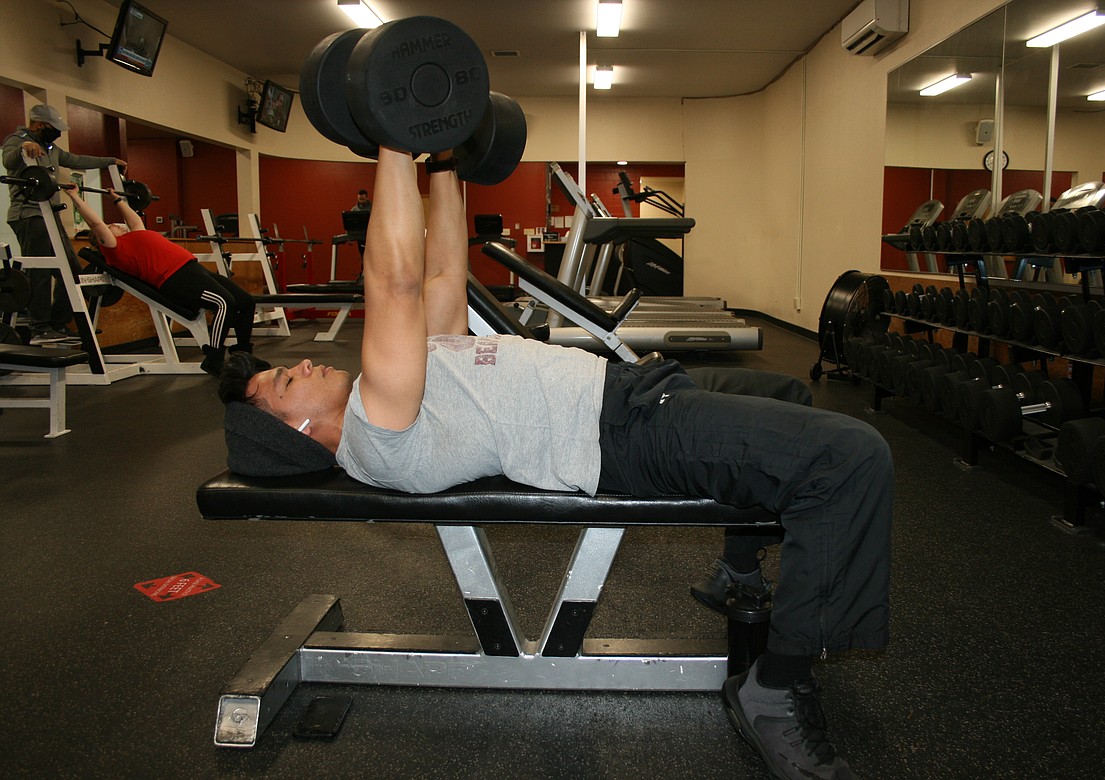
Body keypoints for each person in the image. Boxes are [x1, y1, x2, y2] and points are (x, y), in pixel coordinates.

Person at [218, 147, 892, 779]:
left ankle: (737, 572)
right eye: (284, 383)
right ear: (300, 433)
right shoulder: (374, 427)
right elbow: (391, 283)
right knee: (850, 458)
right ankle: (774, 689)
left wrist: (444, 156)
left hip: (631, 395)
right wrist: (395, 146)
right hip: (626, 434)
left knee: (789, 394)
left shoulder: (400, 386)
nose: (300, 364)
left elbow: (443, 272)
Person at [63, 184, 266, 376]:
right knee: (224, 303)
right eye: (110, 226)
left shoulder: (135, 235)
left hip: (191, 268)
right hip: (174, 278)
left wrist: (116, 199)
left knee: (246, 301)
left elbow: (134, 221)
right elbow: (95, 223)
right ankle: (214, 358)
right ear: (101, 239)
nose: (114, 224)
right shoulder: (114, 249)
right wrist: (74, 196)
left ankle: (243, 356)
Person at [3, 104, 127, 345]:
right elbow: (8, 161)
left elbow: (78, 160)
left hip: (50, 213)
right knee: (39, 272)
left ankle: (58, 324)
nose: (57, 133)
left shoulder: (52, 148)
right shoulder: (17, 139)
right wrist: (22, 149)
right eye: (53, 128)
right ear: (39, 125)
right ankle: (39, 327)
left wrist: (109, 161)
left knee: (71, 270)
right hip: (28, 215)